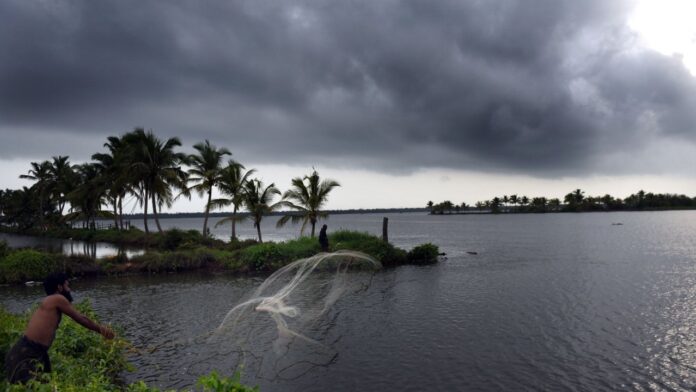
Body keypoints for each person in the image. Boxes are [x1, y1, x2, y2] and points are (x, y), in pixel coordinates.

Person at [4, 273, 115, 384]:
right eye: (67, 286)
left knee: (48, 384)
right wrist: (102, 330)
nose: (69, 289)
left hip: (33, 353)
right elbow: (82, 319)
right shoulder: (57, 298)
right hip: (25, 355)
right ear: (59, 287)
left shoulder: (50, 301)